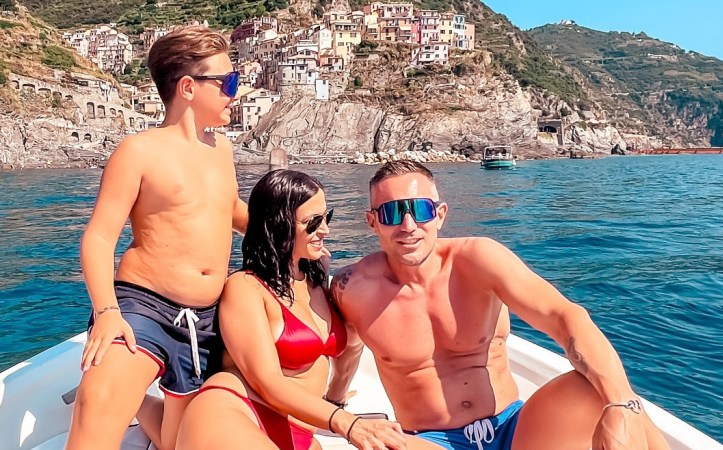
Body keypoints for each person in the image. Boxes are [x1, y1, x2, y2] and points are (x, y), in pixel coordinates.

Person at [328, 160, 670, 450]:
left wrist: (619, 406)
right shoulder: (353, 288)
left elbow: (566, 317)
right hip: (430, 440)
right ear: (372, 221)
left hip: (515, 427)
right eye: (391, 213)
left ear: (440, 215)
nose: (408, 226)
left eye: (420, 210)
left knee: (602, 387)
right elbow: (350, 348)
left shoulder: (477, 260)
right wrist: (335, 401)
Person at [67, 26, 249, 450]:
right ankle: (122, 391)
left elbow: (233, 209)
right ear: (188, 87)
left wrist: (293, 229)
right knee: (98, 405)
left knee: (179, 444)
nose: (235, 93)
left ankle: (142, 406)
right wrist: (108, 312)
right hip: (142, 306)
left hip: (207, 318)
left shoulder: (220, 149)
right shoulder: (139, 151)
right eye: (228, 83)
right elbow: (98, 238)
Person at [176, 170, 406, 450]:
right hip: (237, 411)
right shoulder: (246, 288)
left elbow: (352, 345)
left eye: (326, 217)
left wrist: (334, 400)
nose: (326, 230)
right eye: (313, 222)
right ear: (279, 225)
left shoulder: (317, 280)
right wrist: (347, 422)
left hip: (298, 427)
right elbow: (267, 382)